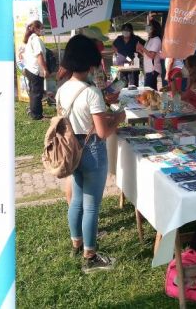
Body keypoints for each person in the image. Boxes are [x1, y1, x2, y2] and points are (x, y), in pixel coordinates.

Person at [56, 34, 126, 273]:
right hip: (93, 150)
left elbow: (75, 119)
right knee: (91, 205)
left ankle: (76, 242)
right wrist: (118, 117)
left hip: (71, 149)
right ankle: (90, 254)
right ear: (90, 61)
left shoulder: (62, 89)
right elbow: (103, 132)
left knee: (76, 199)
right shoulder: (92, 92)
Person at [23, 20, 49, 120]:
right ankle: (37, 115)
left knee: (33, 91)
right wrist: (45, 69)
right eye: (42, 28)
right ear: (36, 29)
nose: (43, 30)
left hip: (29, 69)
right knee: (37, 93)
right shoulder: (36, 40)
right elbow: (39, 56)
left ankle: (33, 110)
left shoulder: (31, 38)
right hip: (35, 70)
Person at [136, 19, 162, 90]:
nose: (147, 27)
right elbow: (147, 55)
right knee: (151, 91)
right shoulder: (150, 39)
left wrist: (142, 47)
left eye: (150, 25)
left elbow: (152, 56)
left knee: (149, 91)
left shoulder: (156, 40)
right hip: (148, 70)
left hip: (153, 70)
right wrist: (140, 51)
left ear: (154, 28)